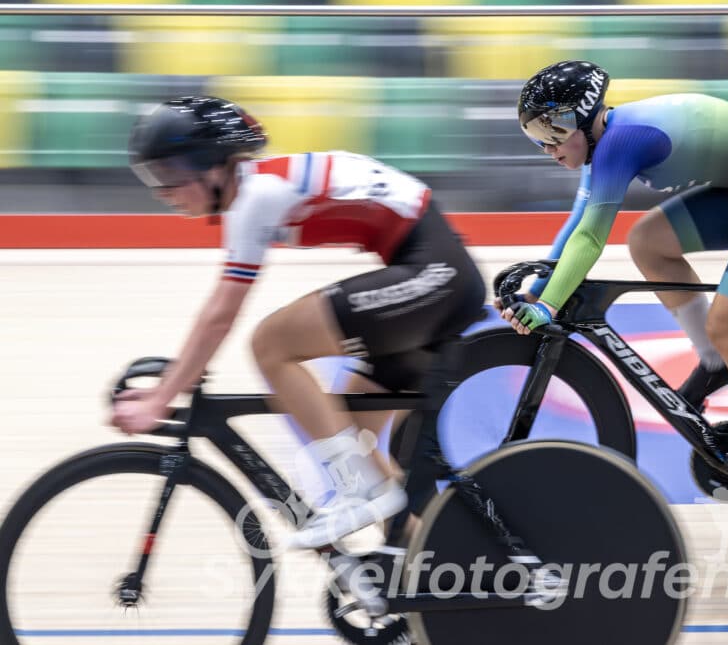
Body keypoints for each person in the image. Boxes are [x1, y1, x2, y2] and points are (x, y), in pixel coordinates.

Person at [112, 96, 485, 548]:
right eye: (152, 177)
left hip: (436, 274)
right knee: (352, 435)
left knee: (271, 343)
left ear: (213, 164)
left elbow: (220, 316)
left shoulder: (256, 194)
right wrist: (168, 387)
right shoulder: (255, 190)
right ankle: (429, 562)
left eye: (170, 173)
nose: (162, 190)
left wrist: (160, 398)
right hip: (434, 273)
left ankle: (357, 493)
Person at [501, 61, 728, 520]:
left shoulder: (620, 142)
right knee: (648, 241)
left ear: (582, 117)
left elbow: (591, 238)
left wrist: (548, 305)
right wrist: (538, 291)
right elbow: (577, 227)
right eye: (535, 135)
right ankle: (716, 360)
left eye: (552, 132)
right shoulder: (603, 141)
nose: (547, 147)